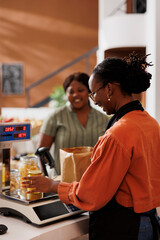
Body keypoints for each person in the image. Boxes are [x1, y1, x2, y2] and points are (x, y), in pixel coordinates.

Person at [22, 52, 160, 240]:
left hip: (125, 226)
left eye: (94, 93)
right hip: (149, 222)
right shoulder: (150, 123)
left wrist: (53, 185)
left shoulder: (118, 133)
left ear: (109, 89)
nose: (95, 101)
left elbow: (92, 195)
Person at [37, 72, 109, 175]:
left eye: (80, 90)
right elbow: (41, 153)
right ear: (66, 94)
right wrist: (45, 178)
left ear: (89, 91)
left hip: (95, 181)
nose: (76, 95)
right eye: (71, 92)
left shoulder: (103, 119)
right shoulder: (55, 117)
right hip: (61, 182)